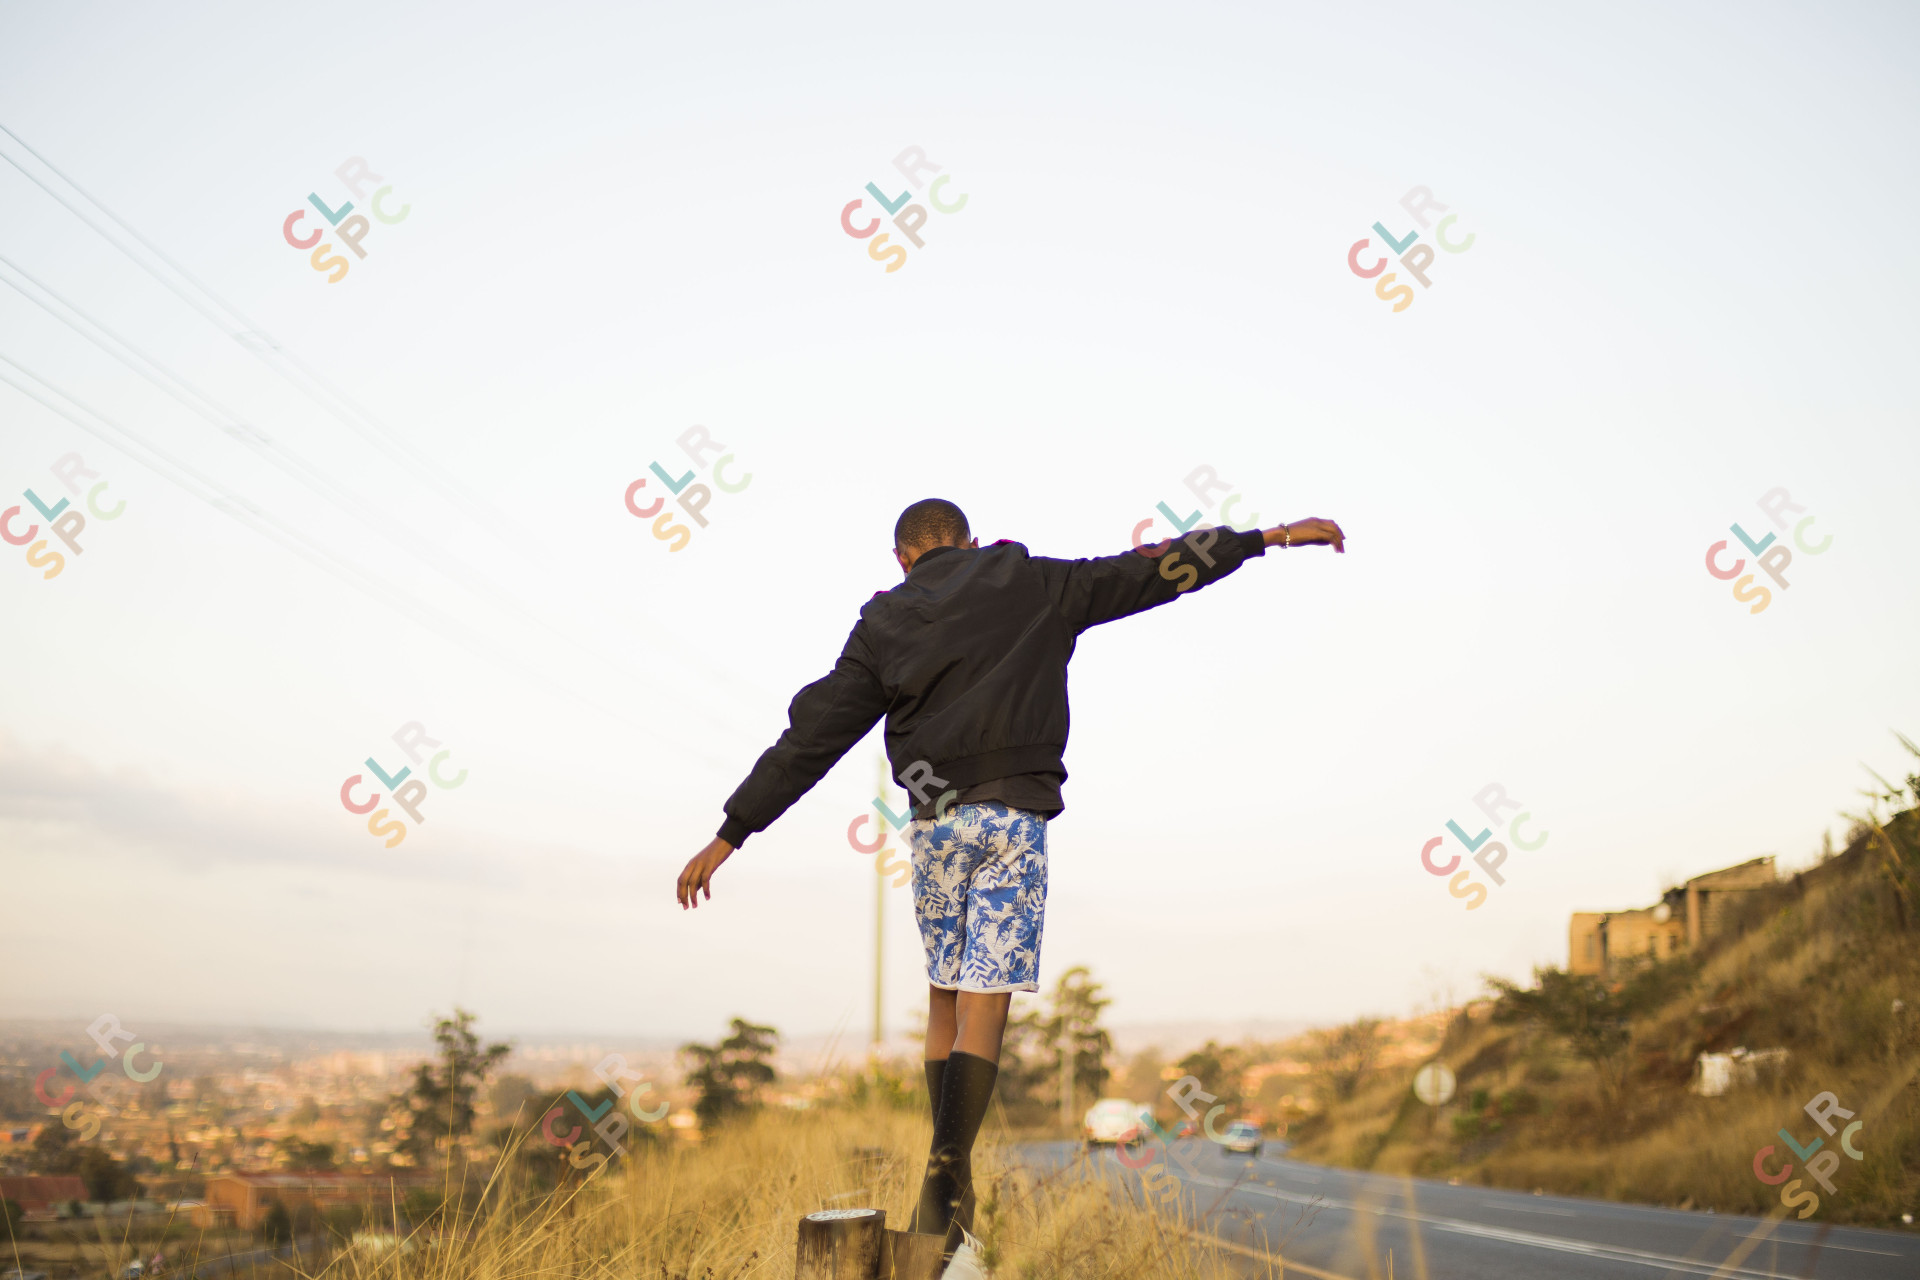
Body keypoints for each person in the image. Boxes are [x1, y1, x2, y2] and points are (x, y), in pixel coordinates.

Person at [675, 498, 1345, 1266]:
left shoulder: (883, 624)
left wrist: (732, 831)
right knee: (986, 1003)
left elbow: (814, 733)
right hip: (1012, 819)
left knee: (945, 997)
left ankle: (945, 1178)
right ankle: (949, 1169)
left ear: (904, 559)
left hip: (935, 825)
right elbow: (1156, 569)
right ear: (968, 540)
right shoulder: (1032, 583)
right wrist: (1265, 539)